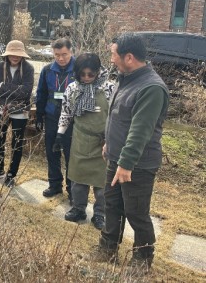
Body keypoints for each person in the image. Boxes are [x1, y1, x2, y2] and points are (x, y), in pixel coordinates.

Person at [97, 33, 169, 270]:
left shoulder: (151, 88)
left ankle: (142, 260)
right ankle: (107, 249)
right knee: (112, 205)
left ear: (128, 57)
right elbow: (118, 117)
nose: (111, 58)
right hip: (117, 158)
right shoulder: (126, 78)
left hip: (136, 165)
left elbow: (140, 130)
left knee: (136, 213)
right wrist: (109, 142)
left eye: (113, 53)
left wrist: (126, 164)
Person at [56, 53, 115, 230]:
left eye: (91, 74)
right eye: (83, 74)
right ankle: (78, 209)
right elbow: (66, 112)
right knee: (78, 179)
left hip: (103, 141)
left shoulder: (109, 88)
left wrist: (112, 138)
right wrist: (60, 134)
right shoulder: (72, 89)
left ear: (98, 72)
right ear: (77, 72)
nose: (87, 78)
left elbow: (115, 116)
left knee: (102, 183)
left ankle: (100, 214)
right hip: (81, 139)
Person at [35, 37, 76, 200]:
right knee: (52, 152)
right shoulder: (47, 70)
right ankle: (54, 184)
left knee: (70, 154)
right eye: (57, 54)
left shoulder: (79, 69)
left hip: (72, 119)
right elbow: (41, 93)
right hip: (52, 115)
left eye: (64, 54)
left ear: (71, 51)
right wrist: (39, 114)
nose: (60, 58)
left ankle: (73, 189)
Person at [0, 40, 34, 187]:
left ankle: (11, 174)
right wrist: (16, 88)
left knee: (17, 143)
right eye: (12, 54)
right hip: (3, 109)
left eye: (18, 54)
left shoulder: (28, 68)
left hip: (21, 111)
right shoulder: (1, 66)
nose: (15, 57)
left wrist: (5, 87)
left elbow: (26, 91)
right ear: (7, 55)